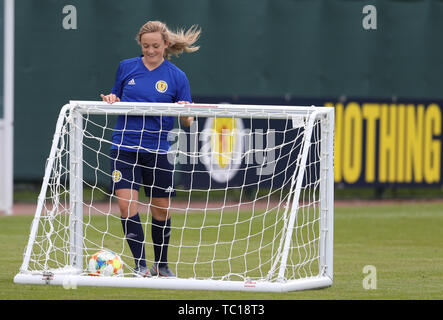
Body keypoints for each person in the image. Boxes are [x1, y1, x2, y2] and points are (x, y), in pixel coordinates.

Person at [100, 20, 200, 277]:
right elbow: (116, 97)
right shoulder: (127, 68)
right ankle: (140, 265)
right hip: (124, 147)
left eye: (155, 46)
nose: (151, 51)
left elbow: (186, 121)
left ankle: (162, 265)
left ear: (166, 45)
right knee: (126, 206)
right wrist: (112, 99)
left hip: (158, 150)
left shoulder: (177, 76)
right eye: (146, 46)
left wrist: (187, 114)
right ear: (140, 45)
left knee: (161, 207)